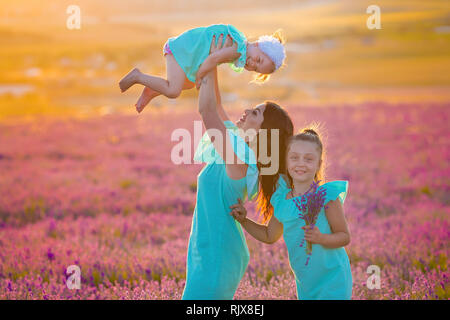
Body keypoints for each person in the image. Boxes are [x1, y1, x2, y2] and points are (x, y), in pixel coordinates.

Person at [182, 37, 293, 299]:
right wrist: (216, 54)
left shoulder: (241, 161)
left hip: (218, 256)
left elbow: (207, 110)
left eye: (255, 113)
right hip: (206, 249)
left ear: (264, 133)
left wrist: (212, 60)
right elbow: (218, 106)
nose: (246, 111)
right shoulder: (237, 146)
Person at [230, 128, 353, 299]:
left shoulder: (326, 197)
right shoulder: (282, 200)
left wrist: (321, 238)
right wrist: (244, 221)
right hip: (306, 282)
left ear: (318, 163)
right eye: (294, 158)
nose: (300, 163)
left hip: (333, 278)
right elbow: (269, 235)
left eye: (308, 159)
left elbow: (344, 236)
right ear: (287, 161)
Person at [118, 24, 286, 113]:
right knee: (174, 90)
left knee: (188, 84)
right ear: (257, 44)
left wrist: (196, 78)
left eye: (256, 69)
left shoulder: (239, 47)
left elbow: (211, 58)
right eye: (258, 59)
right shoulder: (238, 47)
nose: (252, 64)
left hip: (189, 53)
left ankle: (152, 90)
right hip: (181, 49)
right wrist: (199, 77)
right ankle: (138, 76)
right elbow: (213, 59)